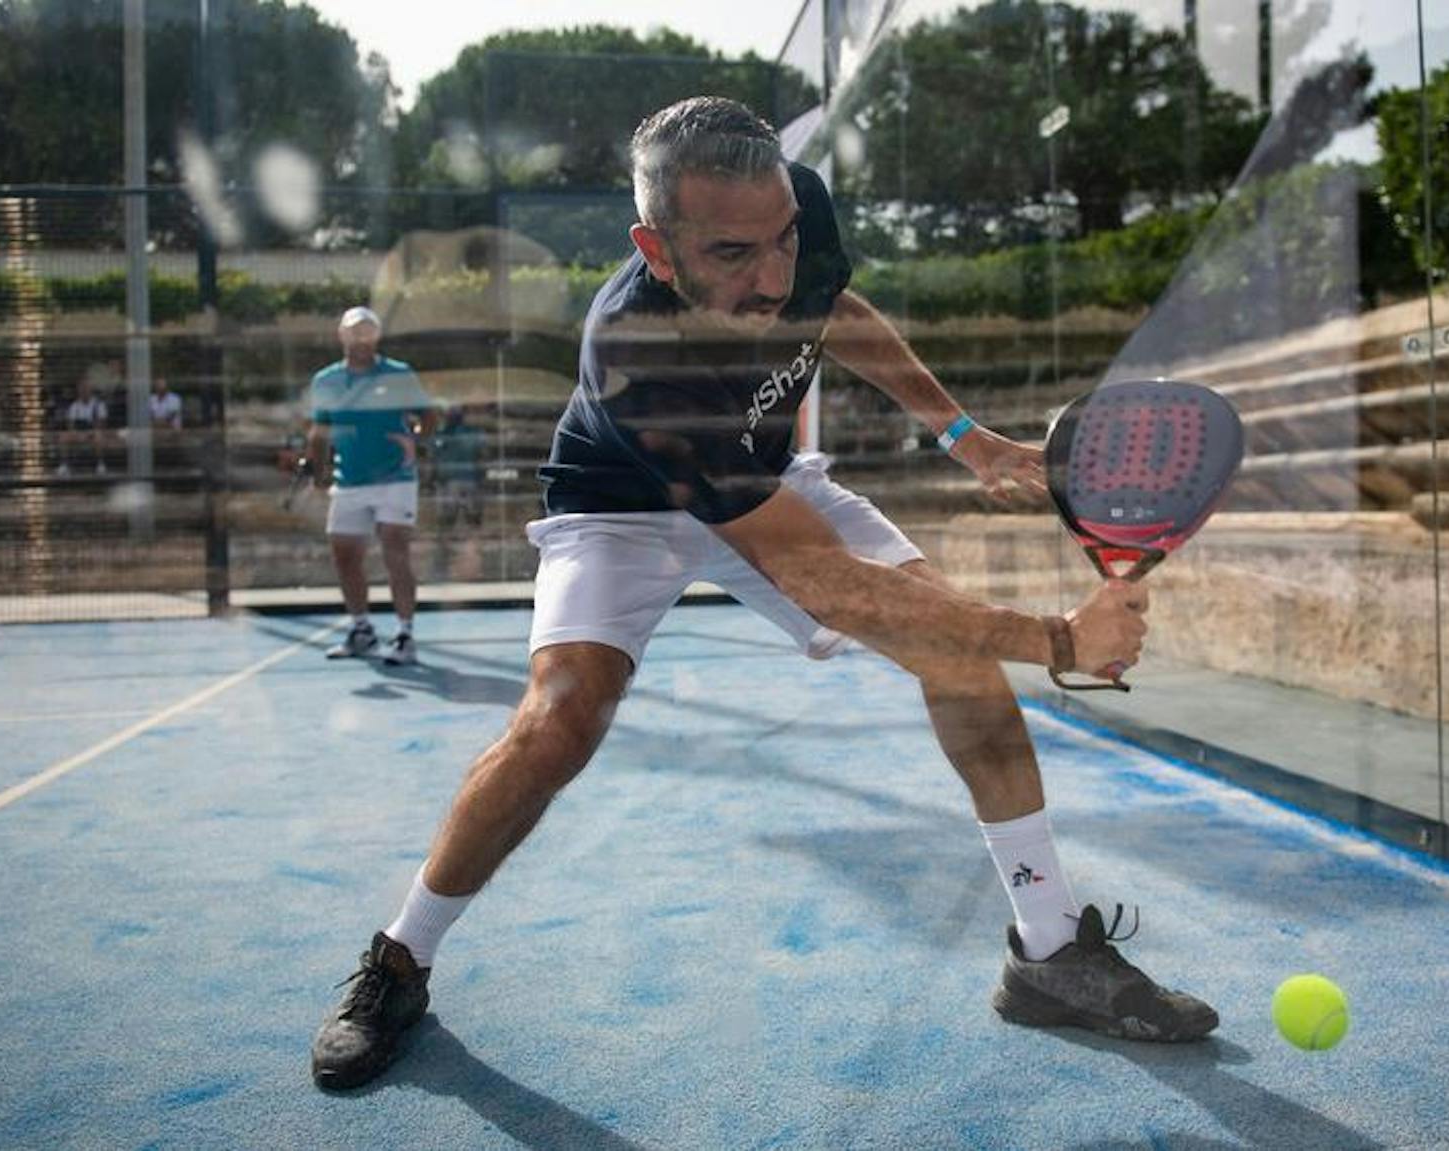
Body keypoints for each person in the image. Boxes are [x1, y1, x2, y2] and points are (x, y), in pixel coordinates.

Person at [308, 97, 1216, 1092]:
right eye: (734, 253)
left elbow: (835, 310)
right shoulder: (633, 361)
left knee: (954, 654)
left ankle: (1048, 952)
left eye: (782, 238)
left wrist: (962, 434)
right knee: (560, 716)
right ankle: (399, 958)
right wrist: (1053, 637)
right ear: (655, 247)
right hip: (619, 505)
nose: (772, 274)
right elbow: (827, 583)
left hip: (765, 477)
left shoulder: (795, 213)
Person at [308, 305, 439, 666]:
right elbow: (319, 432)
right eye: (354, 331)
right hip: (348, 481)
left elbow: (428, 416)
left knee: (395, 549)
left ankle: (405, 634)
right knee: (344, 556)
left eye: (368, 331)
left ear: (376, 337)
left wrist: (416, 439)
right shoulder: (326, 381)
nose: (361, 338)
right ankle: (362, 630)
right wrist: (318, 474)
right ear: (342, 335)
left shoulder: (399, 374)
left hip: (395, 479)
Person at [430, 405, 486, 529]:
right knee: (473, 520)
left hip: (450, 481)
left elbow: (434, 454)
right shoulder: (474, 433)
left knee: (447, 520)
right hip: (470, 479)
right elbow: (483, 454)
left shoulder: (441, 435)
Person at [58, 377, 108, 476]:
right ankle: (64, 465)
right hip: (78, 433)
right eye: (81, 388)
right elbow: (71, 425)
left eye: (86, 388)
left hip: (93, 433)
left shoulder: (98, 404)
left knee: (98, 436)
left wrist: (89, 434)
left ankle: (100, 464)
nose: (84, 390)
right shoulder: (74, 406)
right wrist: (77, 434)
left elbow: (102, 424)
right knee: (64, 437)